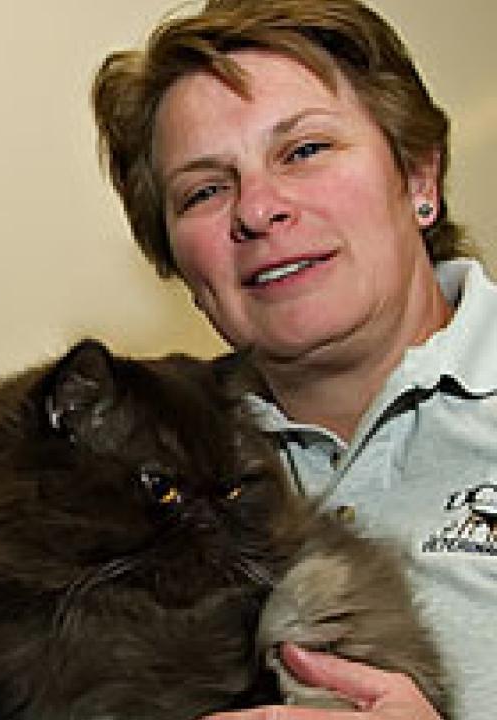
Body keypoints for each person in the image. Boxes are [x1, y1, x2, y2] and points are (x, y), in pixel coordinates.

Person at [89, 0, 493, 718]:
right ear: (179, 260)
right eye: (205, 190)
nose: (257, 209)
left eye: (304, 150)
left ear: (420, 180)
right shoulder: (129, 475)